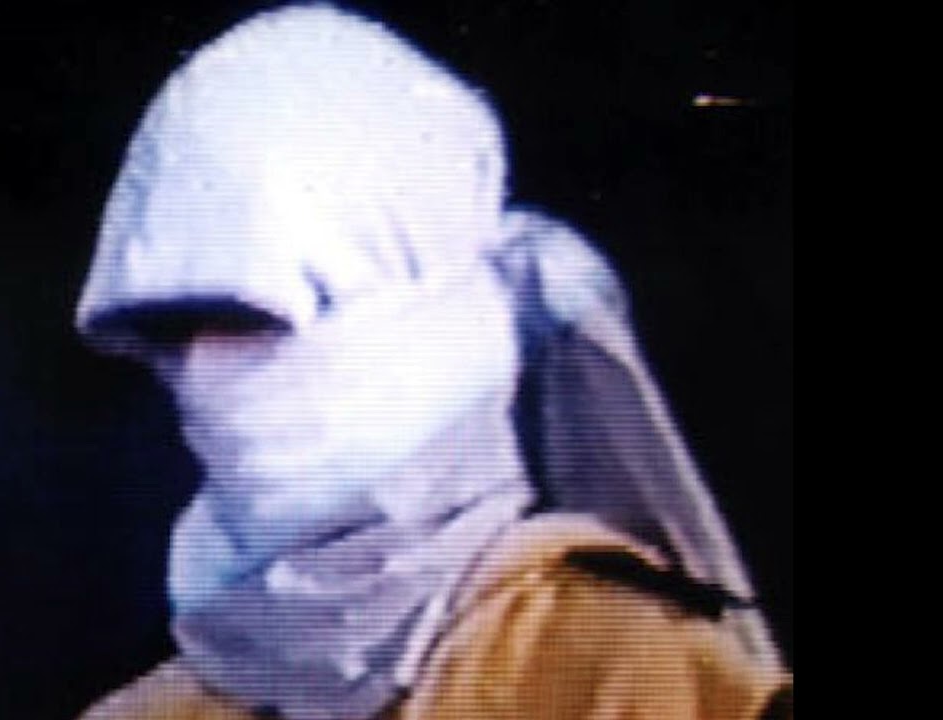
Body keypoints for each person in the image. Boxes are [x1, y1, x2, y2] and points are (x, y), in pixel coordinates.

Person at [73, 4, 791, 719]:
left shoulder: (638, 675)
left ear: (423, 319)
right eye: (174, 331)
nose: (203, 372)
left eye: (253, 322)